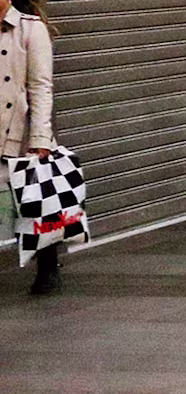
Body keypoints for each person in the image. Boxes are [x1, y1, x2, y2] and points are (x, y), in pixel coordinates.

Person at [0, 0, 59, 294]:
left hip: (17, 132)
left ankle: (48, 266)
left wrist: (39, 137)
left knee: (35, 202)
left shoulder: (30, 29)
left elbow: (40, 87)